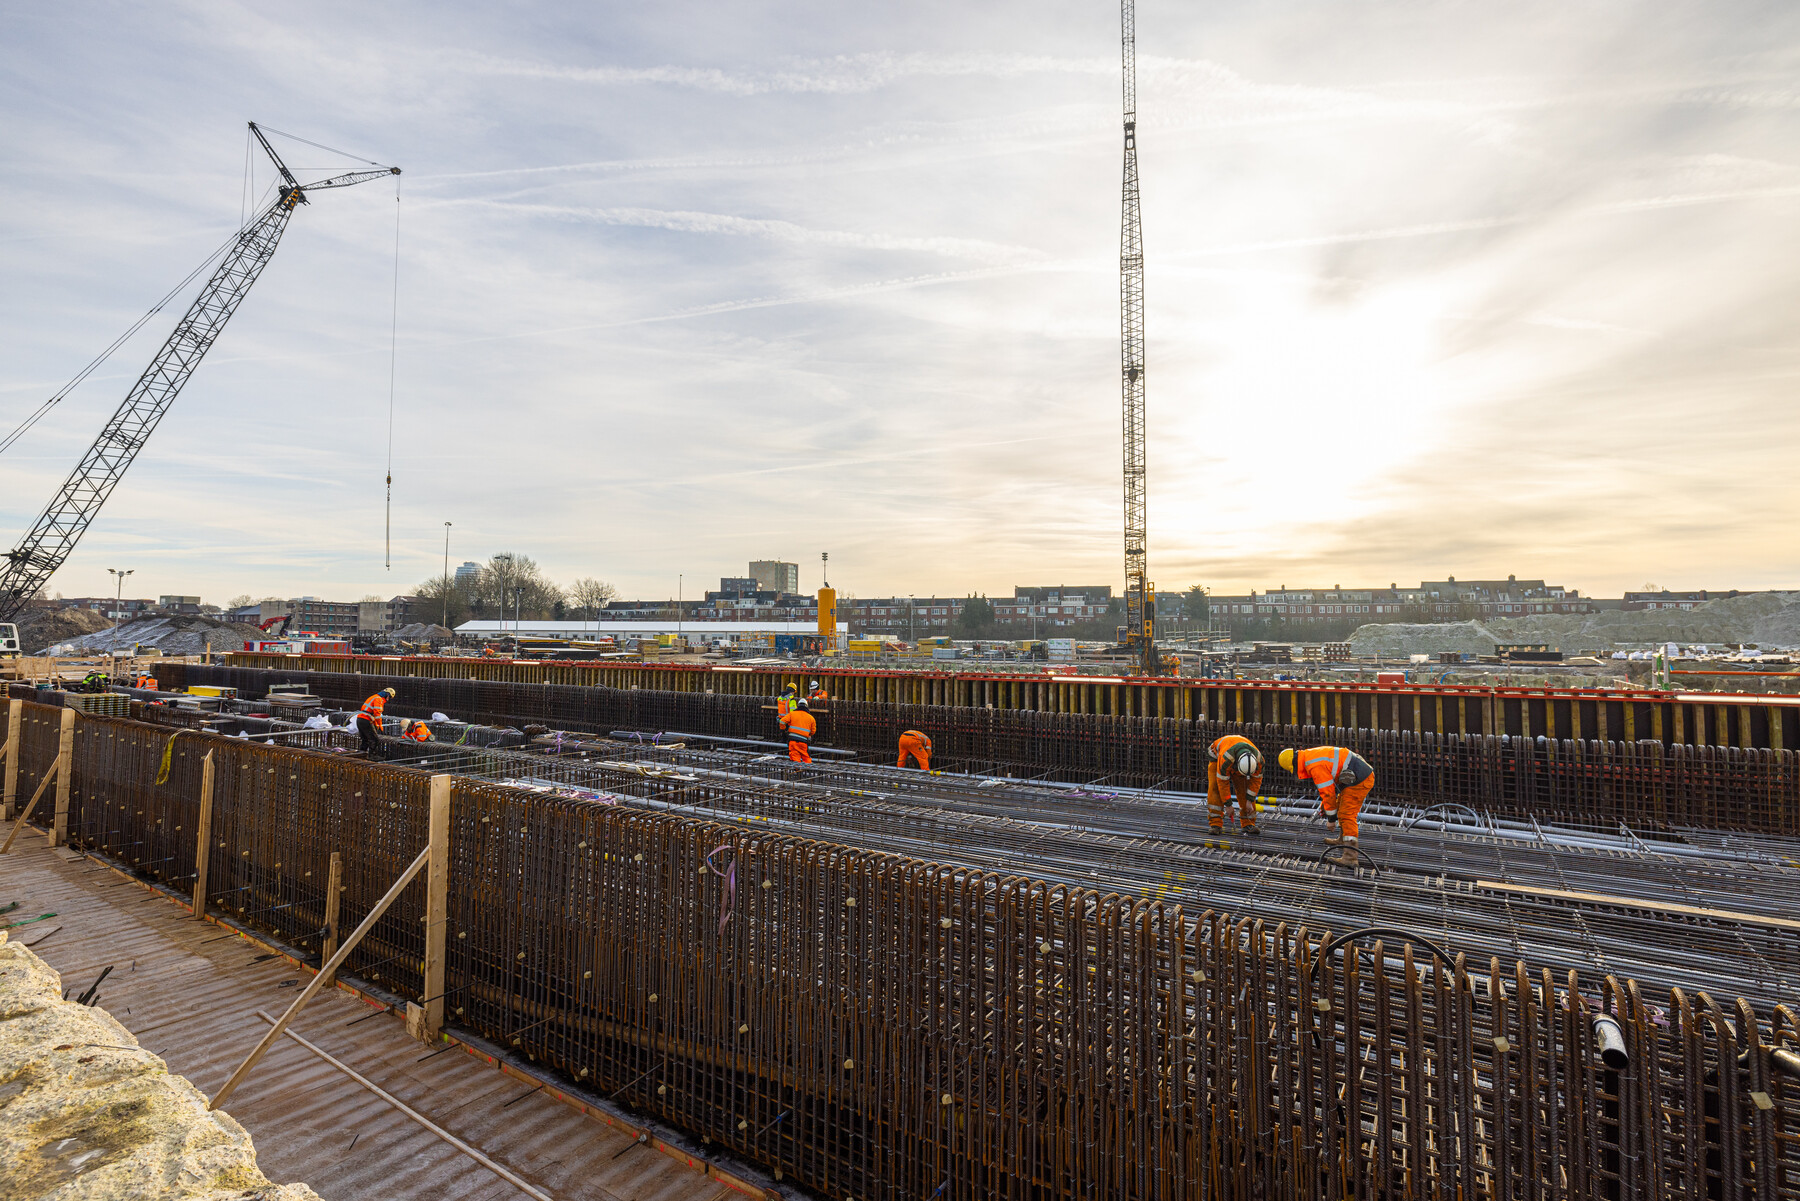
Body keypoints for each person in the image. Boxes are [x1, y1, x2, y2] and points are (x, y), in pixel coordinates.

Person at [1279, 745, 1375, 865]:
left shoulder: (1314, 765)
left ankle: (1350, 857)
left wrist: (1331, 819)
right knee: (1341, 808)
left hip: (1360, 780)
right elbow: (1328, 789)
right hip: (1353, 777)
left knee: (1347, 815)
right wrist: (1325, 805)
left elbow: (1328, 793)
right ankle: (1342, 840)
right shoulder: (1309, 756)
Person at [1206, 735, 1263, 836]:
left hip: (1236, 756)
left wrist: (1249, 800)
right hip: (1217, 756)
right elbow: (1222, 784)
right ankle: (1215, 824)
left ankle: (1248, 823)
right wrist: (1228, 805)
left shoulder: (1259, 761)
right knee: (1215, 789)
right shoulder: (1226, 759)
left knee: (1244, 789)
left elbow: (1255, 782)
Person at [356, 687, 396, 758]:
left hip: (360, 719)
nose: (388, 699)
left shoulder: (373, 697)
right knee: (374, 739)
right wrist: (379, 725)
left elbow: (371, 712)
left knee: (365, 739)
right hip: (366, 720)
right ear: (387, 695)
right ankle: (373, 756)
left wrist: (375, 724)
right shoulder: (379, 699)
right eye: (389, 697)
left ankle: (362, 753)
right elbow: (377, 714)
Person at [778, 698, 816, 763]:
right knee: (806, 757)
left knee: (795, 758)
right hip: (803, 742)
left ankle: (797, 771)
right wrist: (808, 734)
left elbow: (782, 722)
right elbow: (813, 731)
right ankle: (807, 770)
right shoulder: (811, 718)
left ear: (798, 705)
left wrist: (783, 730)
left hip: (793, 740)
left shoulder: (792, 714)